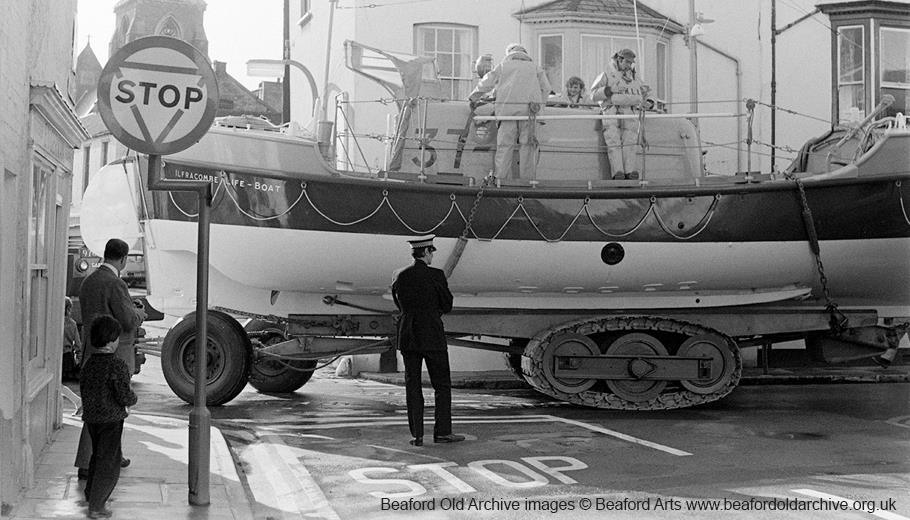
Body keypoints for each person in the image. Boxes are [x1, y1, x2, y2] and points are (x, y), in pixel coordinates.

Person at [74, 238, 145, 479]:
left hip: (90, 353)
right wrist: (140, 313)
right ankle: (89, 462)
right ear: (123, 259)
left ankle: (110, 456)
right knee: (115, 406)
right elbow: (127, 319)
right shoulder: (115, 284)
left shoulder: (89, 281)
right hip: (114, 353)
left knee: (93, 407)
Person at [391, 235, 463, 446]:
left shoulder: (399, 276)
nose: (432, 256)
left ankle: (417, 435)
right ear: (426, 252)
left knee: (412, 385)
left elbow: (398, 303)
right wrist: (433, 312)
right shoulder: (436, 275)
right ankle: (442, 433)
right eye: (431, 252)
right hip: (432, 334)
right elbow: (447, 304)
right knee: (442, 385)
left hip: (408, 335)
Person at [80, 314, 137, 519]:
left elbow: (84, 389)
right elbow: (123, 394)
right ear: (111, 340)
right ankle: (97, 505)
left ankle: (90, 493)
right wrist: (133, 399)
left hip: (92, 419)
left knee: (97, 456)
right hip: (111, 420)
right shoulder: (117, 365)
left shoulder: (89, 364)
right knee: (109, 463)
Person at [468, 43, 552, 180]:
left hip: (507, 113)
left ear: (509, 53)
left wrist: (473, 97)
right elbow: (546, 88)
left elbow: (486, 83)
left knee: (504, 147)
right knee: (528, 149)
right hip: (530, 114)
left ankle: (500, 179)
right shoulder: (535, 68)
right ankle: (528, 182)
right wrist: (540, 108)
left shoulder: (504, 66)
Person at [590, 48, 653, 180]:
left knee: (630, 142)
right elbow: (593, 94)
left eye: (631, 63)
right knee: (613, 142)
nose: (629, 66)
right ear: (619, 59)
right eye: (627, 62)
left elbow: (647, 92)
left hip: (630, 113)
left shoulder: (635, 77)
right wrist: (609, 90)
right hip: (612, 112)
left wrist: (650, 103)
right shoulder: (606, 74)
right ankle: (617, 172)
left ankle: (630, 171)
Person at [62, 297, 82, 381]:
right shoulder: (72, 324)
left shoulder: (54, 323)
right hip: (68, 360)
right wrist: (79, 360)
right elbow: (78, 344)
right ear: (69, 309)